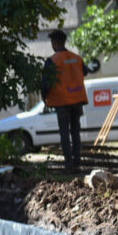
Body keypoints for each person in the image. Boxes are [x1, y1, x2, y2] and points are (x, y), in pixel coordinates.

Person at [41, 29, 89, 172]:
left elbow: (46, 83)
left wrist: (44, 98)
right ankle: (77, 163)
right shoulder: (77, 58)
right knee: (75, 133)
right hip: (77, 100)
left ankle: (68, 165)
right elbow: (85, 72)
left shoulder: (52, 61)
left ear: (55, 43)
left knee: (64, 133)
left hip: (62, 102)